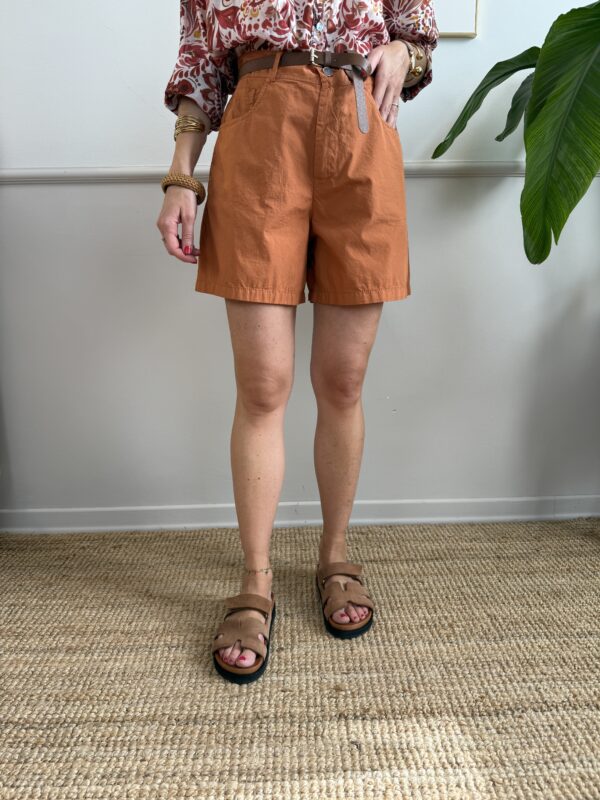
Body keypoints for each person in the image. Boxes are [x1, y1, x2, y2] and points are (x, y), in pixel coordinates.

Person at [156, 0, 439, 684]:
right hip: (259, 128)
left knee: (343, 380)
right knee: (262, 386)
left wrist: (403, 55)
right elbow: (200, 68)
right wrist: (181, 176)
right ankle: (255, 580)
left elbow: (416, 32)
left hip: (360, 126)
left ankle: (335, 556)